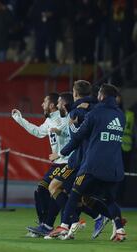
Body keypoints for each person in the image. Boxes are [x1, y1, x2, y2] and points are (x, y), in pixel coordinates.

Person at [49, 84, 126, 242]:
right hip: (114, 166)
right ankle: (120, 229)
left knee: (74, 193)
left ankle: (64, 225)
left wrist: (60, 153)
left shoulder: (94, 113)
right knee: (108, 199)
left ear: (101, 96)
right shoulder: (121, 115)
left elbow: (77, 137)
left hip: (93, 165)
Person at [11, 93, 70, 237]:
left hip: (67, 162)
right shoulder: (50, 120)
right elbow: (37, 132)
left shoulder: (65, 118)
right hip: (58, 164)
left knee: (54, 191)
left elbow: (70, 135)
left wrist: (60, 152)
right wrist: (20, 119)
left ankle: (52, 225)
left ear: (51, 105)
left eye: (44, 102)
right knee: (43, 190)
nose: (42, 105)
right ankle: (45, 224)